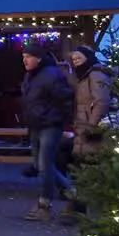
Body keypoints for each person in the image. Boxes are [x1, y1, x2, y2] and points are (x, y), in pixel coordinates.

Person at [21, 42, 76, 221]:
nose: (25, 60)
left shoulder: (51, 75)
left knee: (45, 164)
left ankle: (44, 204)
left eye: (28, 57)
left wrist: (57, 119)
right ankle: (73, 193)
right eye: (23, 57)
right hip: (36, 124)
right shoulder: (31, 76)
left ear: (38, 58)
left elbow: (66, 99)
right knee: (40, 165)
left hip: (50, 125)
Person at [70, 45, 115, 161]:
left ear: (88, 58)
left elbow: (101, 101)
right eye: (74, 60)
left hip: (92, 127)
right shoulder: (83, 77)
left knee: (93, 159)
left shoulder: (96, 75)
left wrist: (91, 126)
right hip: (84, 125)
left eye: (78, 59)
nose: (75, 62)